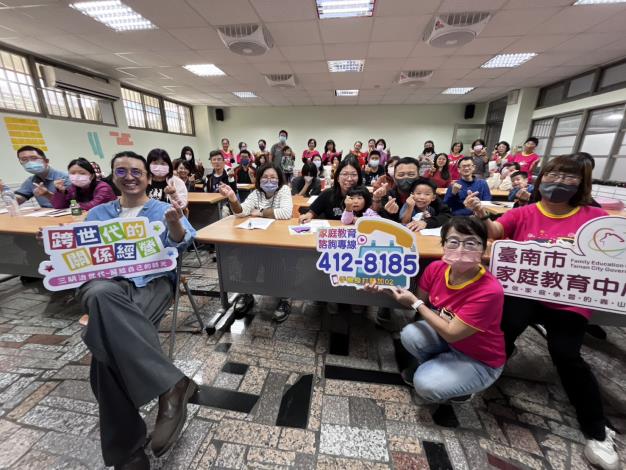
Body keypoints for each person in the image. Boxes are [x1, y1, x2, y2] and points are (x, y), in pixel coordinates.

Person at [465, 155, 618, 470]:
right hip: (524, 292)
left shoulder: (594, 217)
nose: (558, 182)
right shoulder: (525, 212)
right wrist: (481, 213)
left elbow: (612, 253)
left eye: (568, 177)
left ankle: (598, 431)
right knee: (502, 332)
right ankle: (476, 379)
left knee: (566, 353)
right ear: (541, 178)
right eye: (552, 175)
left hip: (569, 298)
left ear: (582, 183)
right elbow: (496, 232)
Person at [77, 150, 197, 469]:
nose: (129, 177)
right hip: (106, 285)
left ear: (147, 176)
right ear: (112, 175)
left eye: (136, 171)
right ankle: (171, 383)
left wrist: (174, 224)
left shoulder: (162, 208)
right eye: (121, 171)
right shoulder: (98, 213)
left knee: (105, 348)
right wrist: (54, 243)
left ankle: (127, 453)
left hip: (151, 282)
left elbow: (184, 241)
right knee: (101, 295)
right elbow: (80, 251)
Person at [365, 217, 505, 403]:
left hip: (478, 358)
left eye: (471, 243)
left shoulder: (489, 291)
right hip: (448, 341)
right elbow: (415, 300)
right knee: (410, 334)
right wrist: (384, 288)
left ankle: (462, 385)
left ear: (484, 247)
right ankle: (440, 367)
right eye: (453, 241)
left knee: (425, 385)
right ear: (443, 244)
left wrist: (416, 304)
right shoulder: (436, 268)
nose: (461, 249)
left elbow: (450, 332)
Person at [219, 164, 293, 322]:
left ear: (279, 179)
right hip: (257, 238)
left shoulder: (284, 190)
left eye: (273, 177)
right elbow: (241, 213)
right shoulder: (256, 193)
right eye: (265, 177)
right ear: (259, 180)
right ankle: (246, 292)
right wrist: (233, 199)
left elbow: (286, 213)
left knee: (275, 262)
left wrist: (260, 213)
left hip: (278, 241)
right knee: (247, 257)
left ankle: (284, 297)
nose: (269, 180)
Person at [3, 145, 70, 208]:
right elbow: (17, 201)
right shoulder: (31, 181)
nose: (29, 162)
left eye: (34, 158)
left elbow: (70, 203)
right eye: (24, 159)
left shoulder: (66, 177)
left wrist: (47, 194)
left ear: (46, 161)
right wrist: (4, 189)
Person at [51, 157, 116, 210]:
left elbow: (95, 206)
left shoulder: (103, 187)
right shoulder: (73, 188)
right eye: (72, 173)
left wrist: (75, 206)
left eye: (82, 173)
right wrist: (61, 192)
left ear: (92, 176)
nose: (76, 176)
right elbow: (58, 206)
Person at [372, 157, 420, 223]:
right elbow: (381, 218)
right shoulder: (389, 196)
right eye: (401, 175)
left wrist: (425, 222)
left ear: (418, 176)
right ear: (394, 178)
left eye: (411, 174)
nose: (406, 177)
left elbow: (435, 215)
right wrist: (389, 213)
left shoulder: (426, 193)